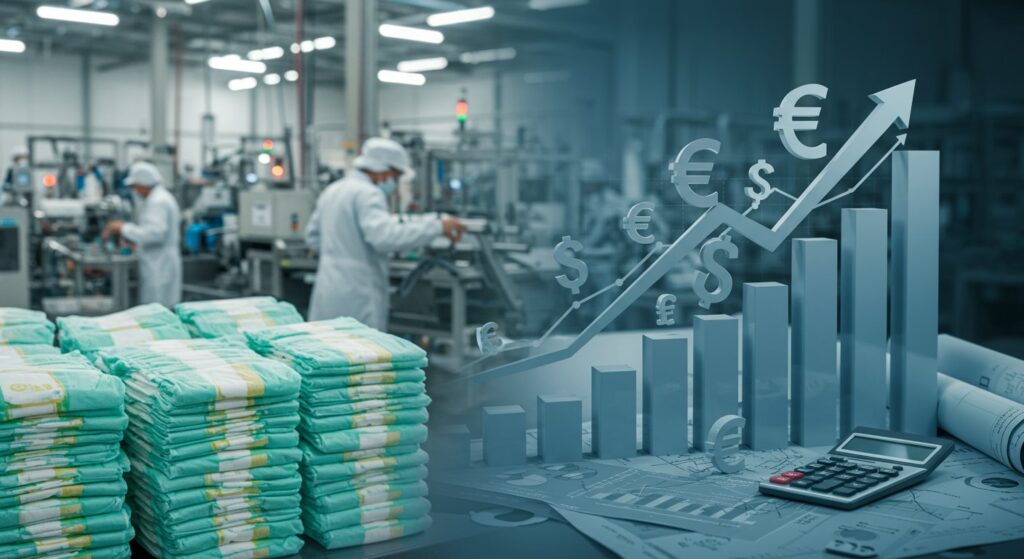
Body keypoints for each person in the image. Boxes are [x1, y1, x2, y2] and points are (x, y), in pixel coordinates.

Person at [306, 137, 465, 329]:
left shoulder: (333, 190)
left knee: (326, 349)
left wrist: (344, 250)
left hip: (328, 286)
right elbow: (384, 237)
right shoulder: (369, 193)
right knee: (362, 352)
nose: (395, 183)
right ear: (383, 171)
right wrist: (438, 227)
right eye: (395, 176)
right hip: (359, 291)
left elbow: (312, 236)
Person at [101, 161, 182, 307]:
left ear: (144, 183)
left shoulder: (158, 201)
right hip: (158, 261)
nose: (135, 191)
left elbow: (155, 234)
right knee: (159, 310)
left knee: (158, 313)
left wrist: (123, 228)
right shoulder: (159, 198)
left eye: (135, 187)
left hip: (159, 265)